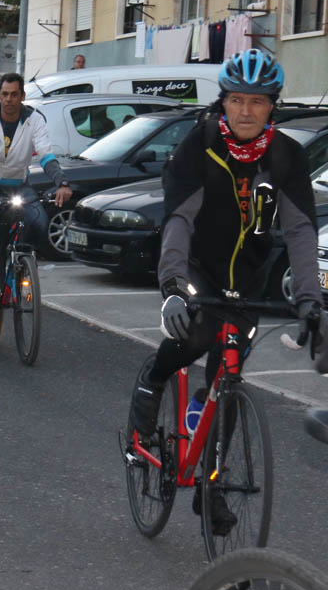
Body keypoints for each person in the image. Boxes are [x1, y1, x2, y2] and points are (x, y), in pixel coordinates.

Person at [127, 50, 324, 535]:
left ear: (272, 107)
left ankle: (211, 484)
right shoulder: (199, 146)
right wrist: (173, 285)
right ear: (223, 101)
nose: (245, 111)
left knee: (228, 376)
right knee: (196, 338)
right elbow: (178, 220)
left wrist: (310, 297)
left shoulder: (286, 156)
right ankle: (153, 381)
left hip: (249, 278)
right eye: (236, 100)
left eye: (257, 102)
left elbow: (300, 232)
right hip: (197, 268)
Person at [0, 72, 72, 334]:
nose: (9, 100)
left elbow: (47, 155)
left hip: (18, 186)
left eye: (14, 94)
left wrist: (62, 182)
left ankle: (21, 266)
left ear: (22, 96)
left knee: (39, 220)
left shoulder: (34, 119)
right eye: (4, 94)